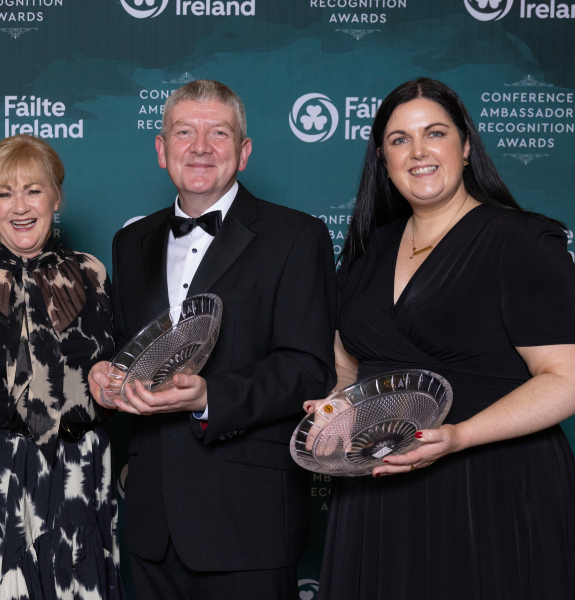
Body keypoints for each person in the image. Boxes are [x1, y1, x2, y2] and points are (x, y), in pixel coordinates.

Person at [306, 78, 575, 600]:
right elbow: (348, 363)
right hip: (381, 486)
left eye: (434, 133)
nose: (418, 152)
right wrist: (338, 406)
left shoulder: (522, 240)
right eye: (399, 140)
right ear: (383, 158)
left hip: (491, 484)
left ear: (465, 147)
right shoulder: (369, 249)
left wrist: (460, 436)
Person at [87, 79, 336, 600]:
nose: (200, 147)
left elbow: (308, 368)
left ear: (243, 153)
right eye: (184, 132)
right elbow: (132, 351)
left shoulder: (296, 236)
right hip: (153, 525)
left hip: (248, 522)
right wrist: (105, 376)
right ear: (161, 150)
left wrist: (209, 396)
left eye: (218, 133)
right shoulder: (131, 242)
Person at [0, 134, 120, 599]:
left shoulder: (92, 274)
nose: (21, 206)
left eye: (33, 190)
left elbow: (113, 375)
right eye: (4, 192)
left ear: (55, 196)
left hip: (81, 473)